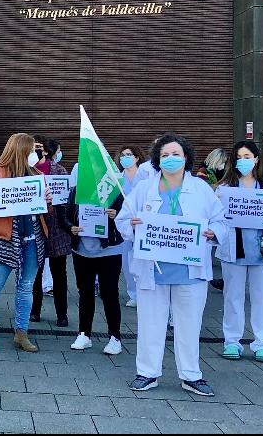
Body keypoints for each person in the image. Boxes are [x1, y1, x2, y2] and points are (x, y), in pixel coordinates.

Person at [118, 132, 226, 397]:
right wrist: (131, 226)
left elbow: (221, 221)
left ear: (186, 158)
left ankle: (191, 375)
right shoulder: (144, 188)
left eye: (175, 154)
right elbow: (123, 220)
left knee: (189, 325)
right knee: (150, 324)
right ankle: (147, 372)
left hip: (189, 272)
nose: (170, 159)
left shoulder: (201, 188)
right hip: (153, 270)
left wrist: (214, 232)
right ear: (157, 159)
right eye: (164, 155)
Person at [0, 133, 50, 353]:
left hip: (32, 240)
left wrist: (48, 201)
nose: (35, 154)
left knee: (25, 288)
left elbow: (46, 211)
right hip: (4, 240)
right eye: (31, 150)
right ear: (20, 151)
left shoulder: (37, 175)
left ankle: (21, 333)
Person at [217, 139, 263, 363]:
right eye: (239, 158)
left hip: (261, 251)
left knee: (261, 298)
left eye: (247, 157)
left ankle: (262, 343)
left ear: (256, 160)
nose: (243, 161)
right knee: (232, 297)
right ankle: (232, 341)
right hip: (234, 251)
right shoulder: (224, 189)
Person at [65, 170, 126, 356]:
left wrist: (116, 215)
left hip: (109, 251)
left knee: (109, 293)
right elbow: (66, 216)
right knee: (85, 292)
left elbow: (127, 218)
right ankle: (84, 334)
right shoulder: (75, 191)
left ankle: (115, 337)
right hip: (82, 251)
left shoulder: (116, 193)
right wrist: (71, 228)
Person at [32, 138, 72, 327]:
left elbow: (65, 200)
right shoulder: (26, 170)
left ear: (46, 151)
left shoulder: (59, 171)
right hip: (36, 227)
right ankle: (35, 311)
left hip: (56, 227)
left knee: (59, 273)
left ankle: (61, 314)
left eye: (38, 148)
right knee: (35, 273)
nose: (34, 151)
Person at [118, 146, 146, 309]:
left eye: (129, 155)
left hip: (142, 222)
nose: (125, 158)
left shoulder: (144, 177)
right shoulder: (117, 178)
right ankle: (133, 293)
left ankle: (144, 290)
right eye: (122, 155)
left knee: (141, 258)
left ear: (137, 158)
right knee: (126, 261)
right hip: (125, 222)